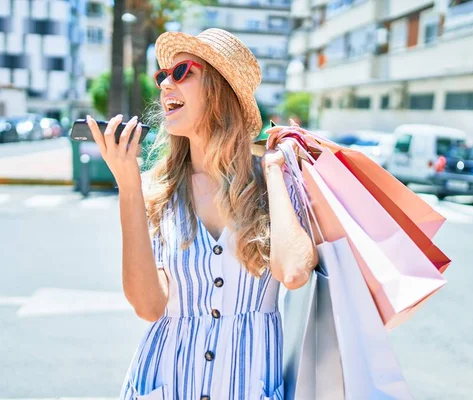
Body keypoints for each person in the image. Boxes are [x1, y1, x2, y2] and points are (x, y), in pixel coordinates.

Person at [85, 28, 318, 400]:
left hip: (247, 386)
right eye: (163, 76)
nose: (164, 85)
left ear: (219, 91)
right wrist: (128, 185)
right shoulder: (156, 190)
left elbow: (293, 272)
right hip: (166, 381)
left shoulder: (275, 183)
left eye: (182, 73)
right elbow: (148, 306)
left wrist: (274, 168)